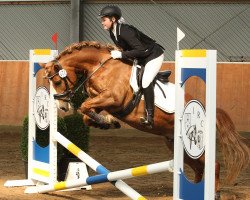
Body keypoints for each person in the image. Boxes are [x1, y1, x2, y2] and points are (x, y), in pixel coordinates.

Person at [99, 5, 164, 128]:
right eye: (102, 20)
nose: (102, 23)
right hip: (140, 57)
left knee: (145, 81)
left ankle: (150, 117)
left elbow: (141, 50)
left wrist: (121, 54)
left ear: (113, 19)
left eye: (104, 20)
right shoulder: (113, 33)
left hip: (153, 55)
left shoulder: (124, 31)